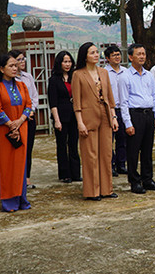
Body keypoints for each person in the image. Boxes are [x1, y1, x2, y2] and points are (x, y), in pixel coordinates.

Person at [73, 42, 119, 200]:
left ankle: (107, 189)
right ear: (84, 55)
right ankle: (92, 191)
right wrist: (80, 122)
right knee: (91, 155)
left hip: (105, 114)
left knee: (106, 154)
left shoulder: (104, 73)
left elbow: (110, 97)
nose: (96, 55)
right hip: (87, 117)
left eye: (96, 52)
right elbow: (77, 102)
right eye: (92, 52)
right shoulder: (78, 74)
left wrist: (113, 117)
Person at [0, 53, 34, 212]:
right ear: (1, 69)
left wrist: (20, 121)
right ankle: (9, 202)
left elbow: (28, 105)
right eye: (11, 66)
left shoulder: (22, 86)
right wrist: (10, 125)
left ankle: (22, 199)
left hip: (22, 127)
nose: (15, 68)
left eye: (16, 65)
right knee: (7, 165)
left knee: (21, 164)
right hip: (4, 131)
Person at [119, 44, 155, 194]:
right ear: (131, 57)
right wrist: (128, 123)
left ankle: (147, 179)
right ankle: (134, 181)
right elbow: (123, 102)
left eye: (144, 54)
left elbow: (154, 96)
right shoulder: (125, 76)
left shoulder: (148, 75)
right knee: (133, 150)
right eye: (138, 54)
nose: (142, 56)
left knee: (147, 149)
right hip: (134, 115)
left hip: (148, 115)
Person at [48, 50, 81, 183]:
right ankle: (65, 174)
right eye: (64, 62)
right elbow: (53, 102)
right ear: (59, 63)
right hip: (61, 116)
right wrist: (57, 120)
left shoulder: (75, 77)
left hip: (75, 115)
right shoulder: (54, 80)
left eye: (69, 61)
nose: (67, 64)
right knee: (62, 145)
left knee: (74, 144)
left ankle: (75, 173)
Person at [10, 49, 39, 190]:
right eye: (19, 60)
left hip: (29, 117)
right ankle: (15, 177)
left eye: (23, 59)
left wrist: (30, 111)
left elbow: (34, 96)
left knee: (28, 148)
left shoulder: (28, 77)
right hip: (14, 119)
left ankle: (26, 178)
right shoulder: (10, 78)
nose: (22, 62)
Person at [104, 45, 128, 176]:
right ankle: (111, 164)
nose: (117, 57)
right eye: (114, 55)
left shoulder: (125, 71)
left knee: (122, 138)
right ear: (107, 58)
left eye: (118, 54)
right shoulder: (104, 73)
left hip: (123, 109)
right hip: (110, 110)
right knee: (109, 139)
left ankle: (121, 164)